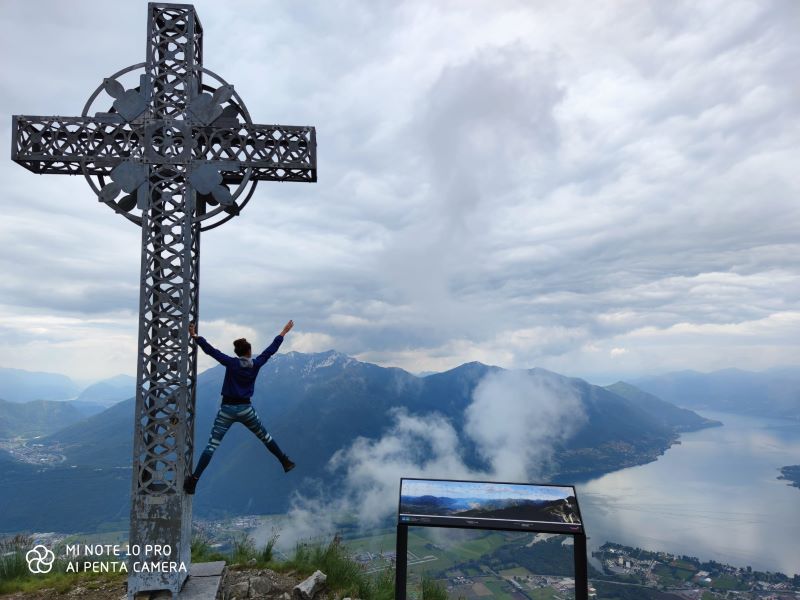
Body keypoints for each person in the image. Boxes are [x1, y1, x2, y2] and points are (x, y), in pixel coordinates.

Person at [183, 320, 296, 495]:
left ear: (237, 353)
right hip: (246, 409)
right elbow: (270, 350)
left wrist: (195, 336)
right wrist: (283, 332)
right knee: (265, 437)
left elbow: (211, 351)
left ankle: (194, 480)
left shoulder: (231, 363)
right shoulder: (256, 364)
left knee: (211, 446)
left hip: (227, 409)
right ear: (249, 352)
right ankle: (284, 461)